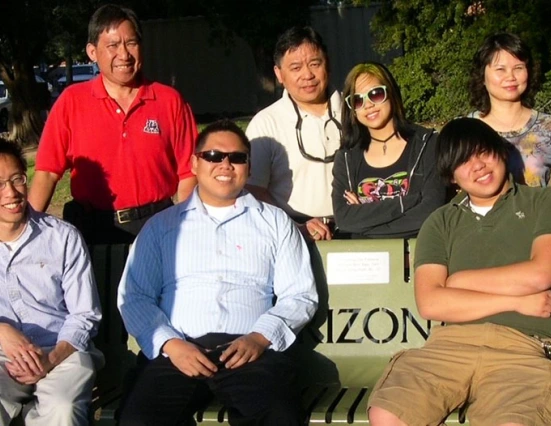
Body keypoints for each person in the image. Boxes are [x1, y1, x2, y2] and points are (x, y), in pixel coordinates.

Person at [367, 117, 551, 425]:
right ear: (452, 177)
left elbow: (541, 274)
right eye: (463, 162)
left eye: (483, 152)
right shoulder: (441, 222)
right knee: (388, 414)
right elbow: (431, 303)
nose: (478, 166)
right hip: (449, 348)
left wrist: (459, 281)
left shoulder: (546, 202)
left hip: (526, 350)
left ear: (500, 152)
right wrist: (515, 301)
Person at [117, 119, 318, 425]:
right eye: (213, 156)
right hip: (178, 351)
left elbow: (300, 294)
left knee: (280, 417)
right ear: (195, 163)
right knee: (138, 420)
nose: (225, 164)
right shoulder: (161, 227)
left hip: (249, 352)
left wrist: (260, 337)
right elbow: (135, 297)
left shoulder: (275, 223)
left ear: (248, 167)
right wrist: (171, 344)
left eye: (237, 157)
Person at [29, 4, 198, 244]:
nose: (124, 54)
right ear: (92, 52)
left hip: (158, 225)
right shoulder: (72, 101)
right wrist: (24, 233)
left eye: (131, 43)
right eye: (112, 45)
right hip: (92, 229)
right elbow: (46, 173)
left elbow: (189, 172)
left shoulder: (169, 101)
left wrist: (182, 226)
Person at [0, 139, 103, 426]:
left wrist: (51, 359)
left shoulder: (62, 237)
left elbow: (84, 314)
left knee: (63, 408)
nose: (11, 192)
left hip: (62, 350)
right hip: (2, 356)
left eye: (17, 179)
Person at [246, 26, 342, 241]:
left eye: (315, 64)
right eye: (296, 68)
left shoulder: (355, 112)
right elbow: (253, 189)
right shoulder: (266, 123)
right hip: (293, 233)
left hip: (355, 229)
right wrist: (294, 227)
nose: (307, 75)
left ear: (328, 64)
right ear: (279, 74)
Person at [332, 62, 446, 238]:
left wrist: (363, 218)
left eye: (376, 94)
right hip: (367, 261)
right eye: (357, 100)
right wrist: (408, 202)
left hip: (416, 257)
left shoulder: (428, 143)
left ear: (391, 93)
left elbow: (430, 214)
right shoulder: (346, 157)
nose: (368, 105)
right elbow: (344, 219)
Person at [468, 32, 551, 187]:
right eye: (500, 69)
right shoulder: (464, 130)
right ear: (482, 76)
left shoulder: (550, 128)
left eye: (518, 68)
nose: (511, 77)